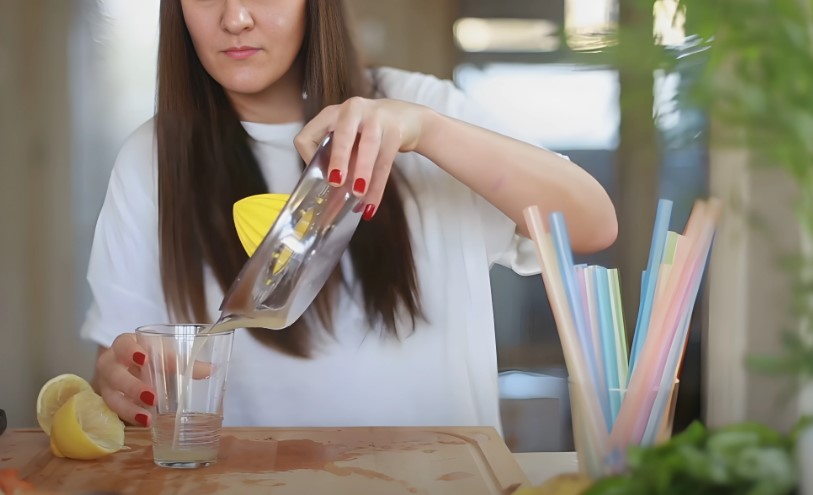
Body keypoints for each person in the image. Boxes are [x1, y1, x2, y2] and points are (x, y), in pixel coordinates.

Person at [83, 0, 617, 432]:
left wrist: (428, 132)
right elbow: (122, 367)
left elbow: (593, 224)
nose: (235, 17)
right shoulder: (151, 158)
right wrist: (120, 383)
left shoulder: (424, 107)